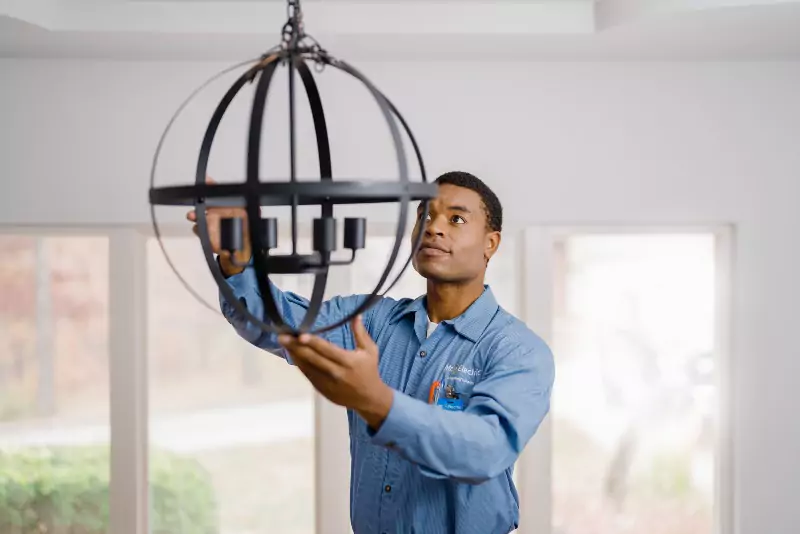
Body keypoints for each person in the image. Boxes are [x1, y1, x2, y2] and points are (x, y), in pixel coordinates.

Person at [187, 171, 555, 534]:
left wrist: (378, 403)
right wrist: (238, 260)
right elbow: (274, 323)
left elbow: (485, 451)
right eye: (425, 215)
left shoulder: (518, 352)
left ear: (491, 243)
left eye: (456, 219)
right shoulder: (371, 323)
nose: (433, 227)